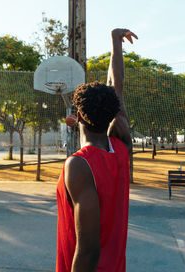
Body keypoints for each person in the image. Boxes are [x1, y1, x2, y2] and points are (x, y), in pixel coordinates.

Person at [56, 28, 137, 272]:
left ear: (77, 116)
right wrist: (115, 42)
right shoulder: (122, 149)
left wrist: (115, 41)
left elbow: (89, 251)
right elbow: (117, 89)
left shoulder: (80, 164)